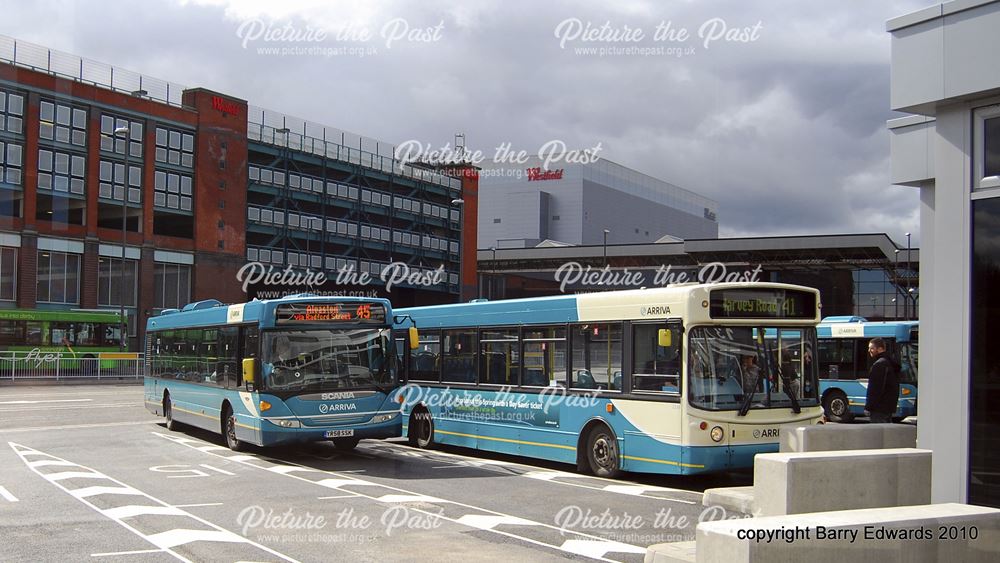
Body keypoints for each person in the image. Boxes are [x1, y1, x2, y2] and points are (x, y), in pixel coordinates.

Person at [864, 337, 900, 423]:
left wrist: (868, 407)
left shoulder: (879, 364)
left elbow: (875, 389)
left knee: (877, 434)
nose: (869, 350)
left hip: (878, 409)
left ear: (880, 349)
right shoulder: (891, 363)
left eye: (872, 348)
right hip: (888, 408)